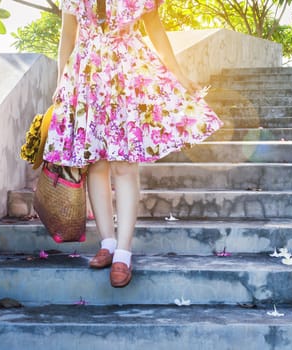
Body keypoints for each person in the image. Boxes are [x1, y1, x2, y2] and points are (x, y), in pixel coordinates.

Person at [44, 0, 222, 288]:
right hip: (86, 77)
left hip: (126, 76)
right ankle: (108, 243)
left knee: (124, 166)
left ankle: (123, 254)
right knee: (96, 164)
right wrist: (61, 83)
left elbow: (155, 30)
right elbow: (67, 36)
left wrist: (177, 73)